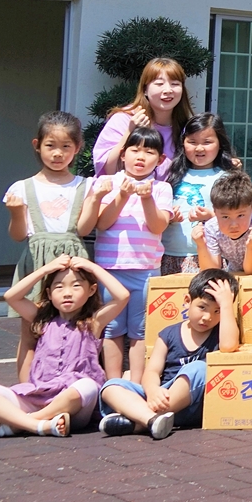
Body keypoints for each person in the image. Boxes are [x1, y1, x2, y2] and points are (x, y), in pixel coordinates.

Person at [0, 255, 128, 438]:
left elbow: (122, 296)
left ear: (92, 290)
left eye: (76, 286)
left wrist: (92, 267)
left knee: (87, 386)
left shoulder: (93, 323)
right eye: (59, 287)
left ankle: (21, 423)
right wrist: (46, 269)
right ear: (49, 293)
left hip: (73, 406)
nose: (67, 293)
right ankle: (41, 425)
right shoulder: (42, 320)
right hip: (37, 396)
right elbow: (11, 296)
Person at [98, 268, 238, 439]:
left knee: (199, 369)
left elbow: (229, 346)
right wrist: (152, 390)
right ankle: (152, 420)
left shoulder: (221, 333)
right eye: (202, 307)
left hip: (190, 405)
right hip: (160, 396)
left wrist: (226, 305)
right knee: (111, 386)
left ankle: (141, 419)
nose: (207, 317)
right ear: (187, 301)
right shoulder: (168, 334)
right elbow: (152, 371)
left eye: (218, 311)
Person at [87, 125, 173, 381]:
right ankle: (112, 383)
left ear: (160, 159)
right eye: (135, 150)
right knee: (111, 329)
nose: (141, 157)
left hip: (145, 270)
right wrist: (122, 196)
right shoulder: (107, 183)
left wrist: (147, 199)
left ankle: (136, 383)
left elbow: (158, 226)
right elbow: (102, 223)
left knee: (140, 330)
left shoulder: (161, 189)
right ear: (123, 155)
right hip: (109, 269)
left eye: (149, 152)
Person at [5, 112, 93, 299]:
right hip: (36, 262)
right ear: (37, 145)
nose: (57, 153)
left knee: (72, 312)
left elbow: (84, 230)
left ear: (77, 147)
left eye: (66, 146)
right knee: (34, 311)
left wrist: (97, 199)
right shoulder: (22, 188)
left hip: (73, 262)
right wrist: (16, 212)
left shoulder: (85, 186)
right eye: (50, 145)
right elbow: (18, 236)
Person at [166, 113, 245, 276]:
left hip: (211, 257)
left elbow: (241, 217)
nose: (199, 148)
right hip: (168, 254)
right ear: (183, 143)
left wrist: (212, 217)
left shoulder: (228, 177)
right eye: (192, 142)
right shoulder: (171, 174)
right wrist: (168, 218)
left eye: (207, 142)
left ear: (220, 143)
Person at [93, 58, 193, 180]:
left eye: (175, 84)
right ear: (145, 89)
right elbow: (107, 170)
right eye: (159, 84)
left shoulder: (187, 128)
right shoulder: (124, 119)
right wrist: (130, 132)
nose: (168, 90)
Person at [192, 171, 252, 275]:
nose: (233, 225)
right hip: (238, 268)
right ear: (215, 211)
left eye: (240, 215)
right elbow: (212, 269)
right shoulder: (212, 227)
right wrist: (201, 245)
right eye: (225, 217)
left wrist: (251, 246)